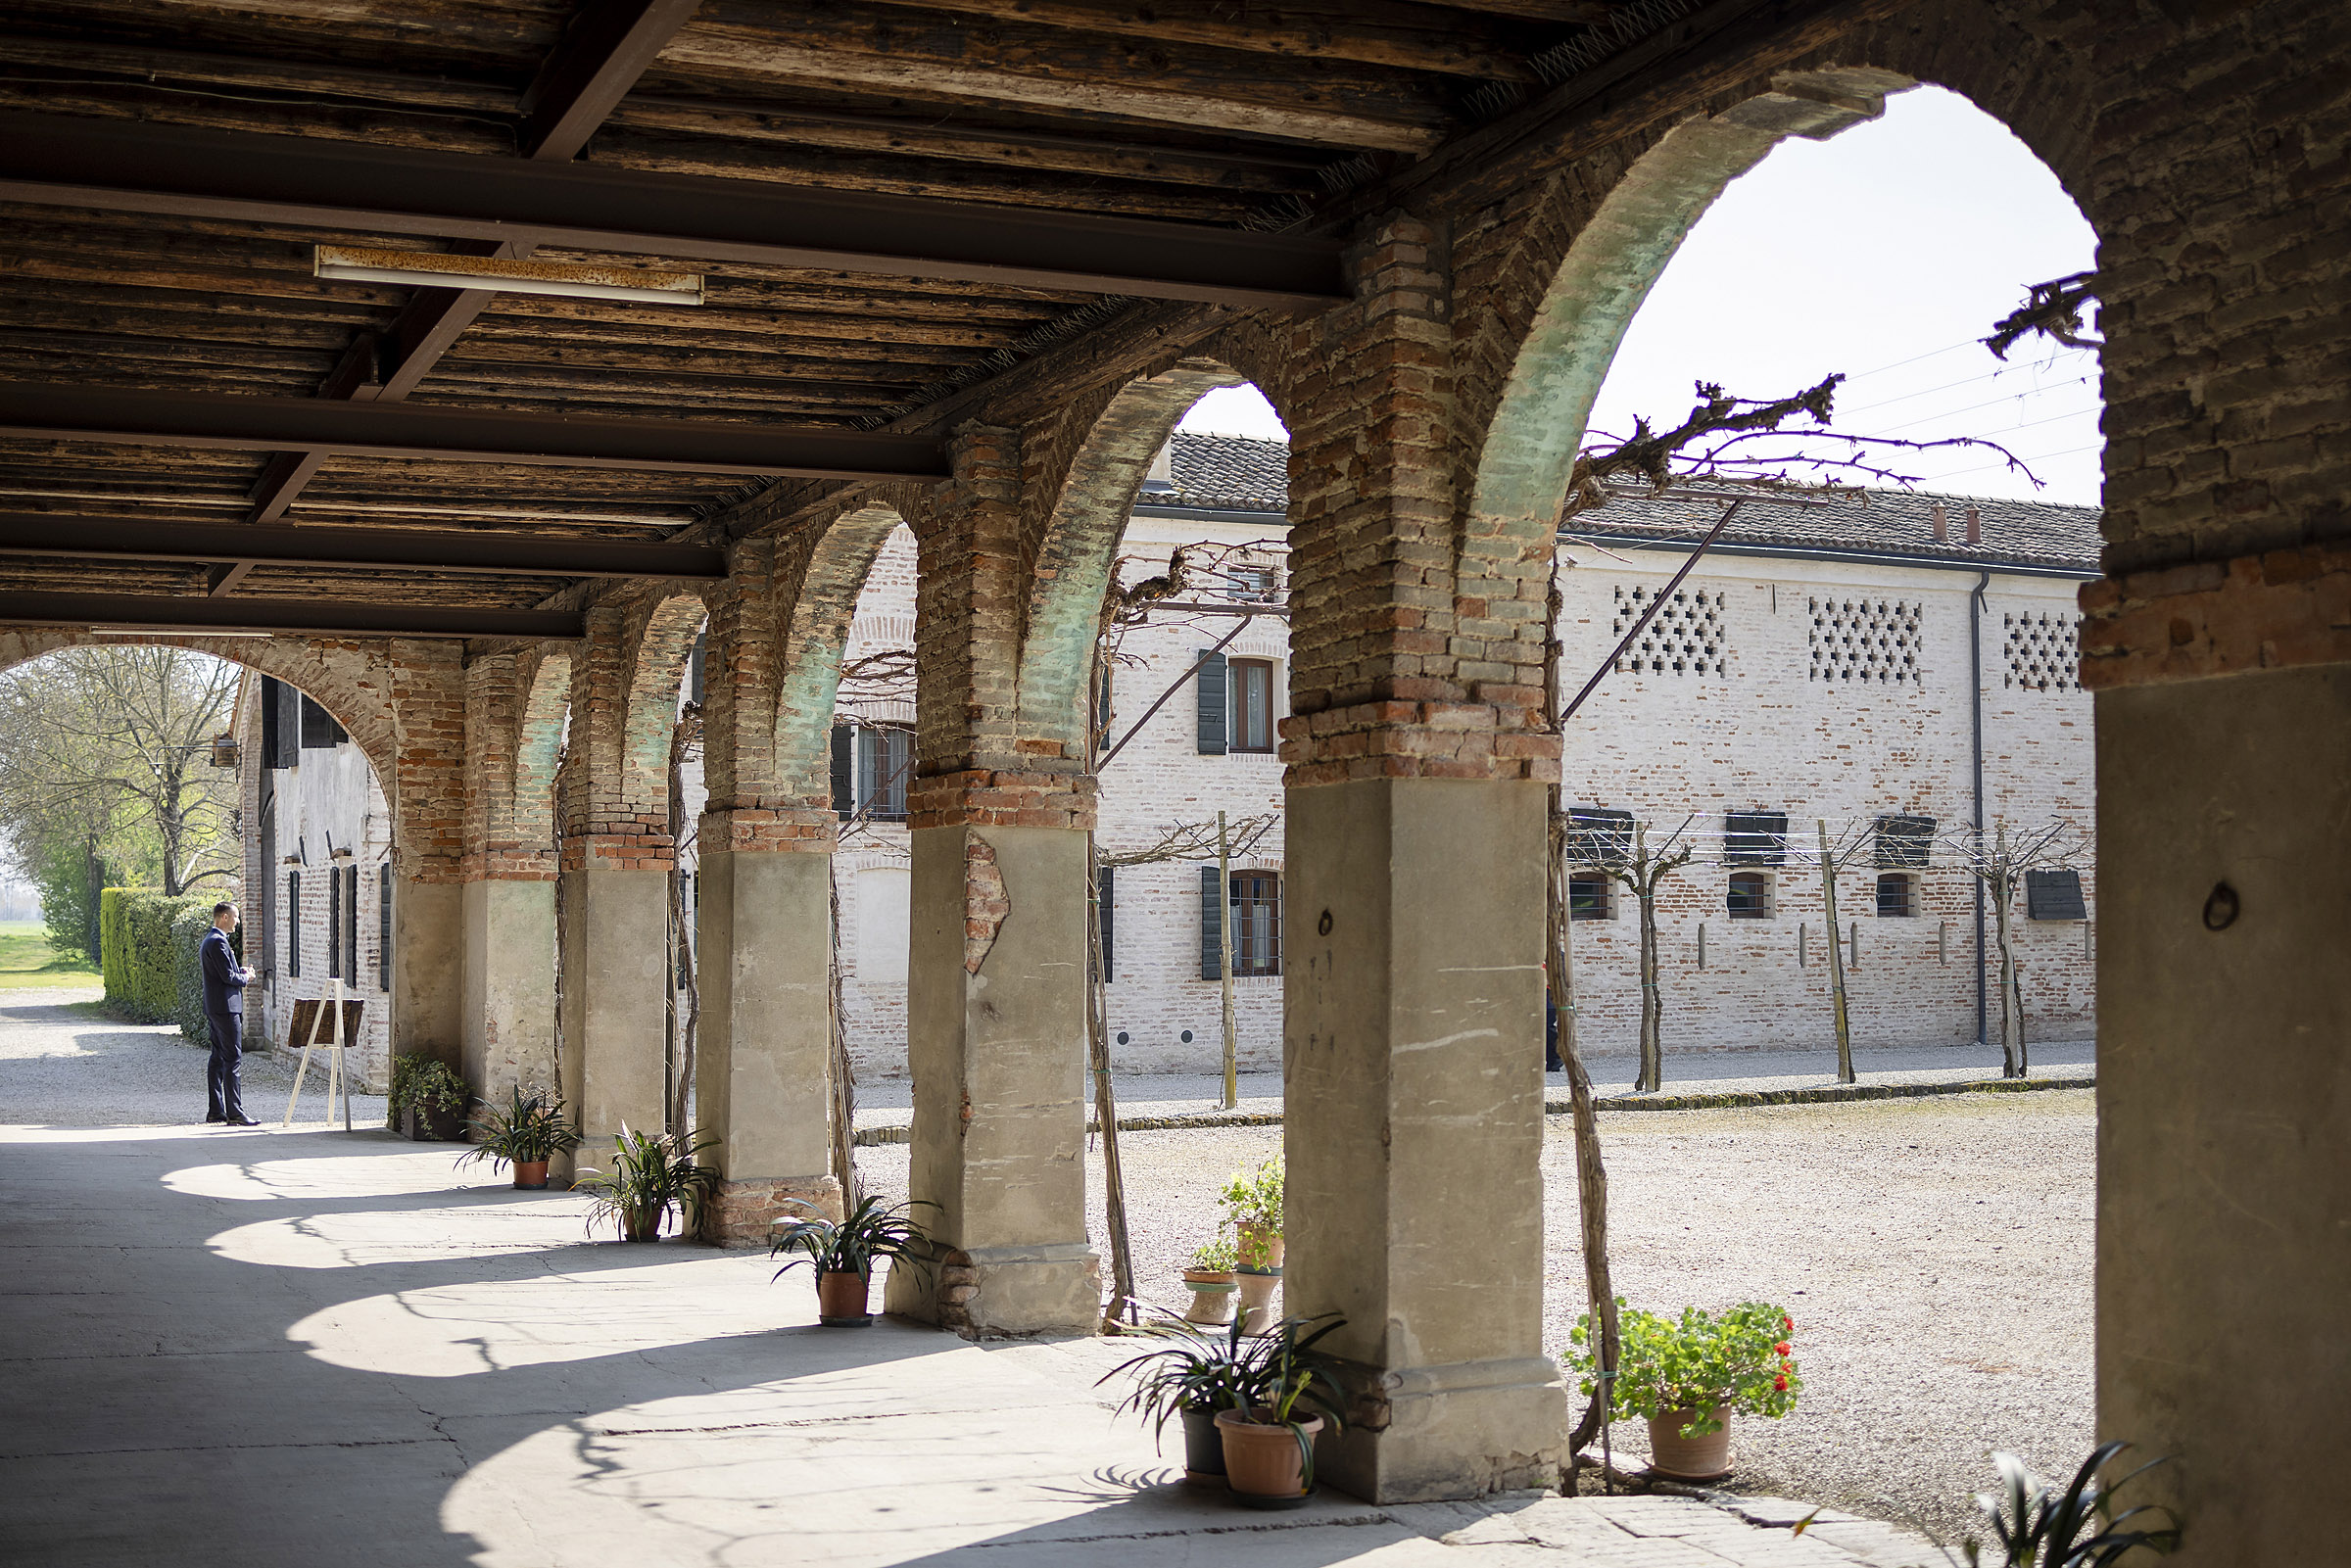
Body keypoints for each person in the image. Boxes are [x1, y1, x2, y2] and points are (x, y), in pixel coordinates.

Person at [201, 902, 260, 1127]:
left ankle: (216, 1111)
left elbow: (223, 973)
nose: (238, 922)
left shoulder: (211, 941)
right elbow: (227, 977)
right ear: (224, 917)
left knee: (217, 1058)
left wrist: (241, 972)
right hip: (226, 1009)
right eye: (236, 917)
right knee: (232, 1059)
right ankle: (235, 1112)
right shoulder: (218, 942)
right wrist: (246, 978)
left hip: (216, 1007)